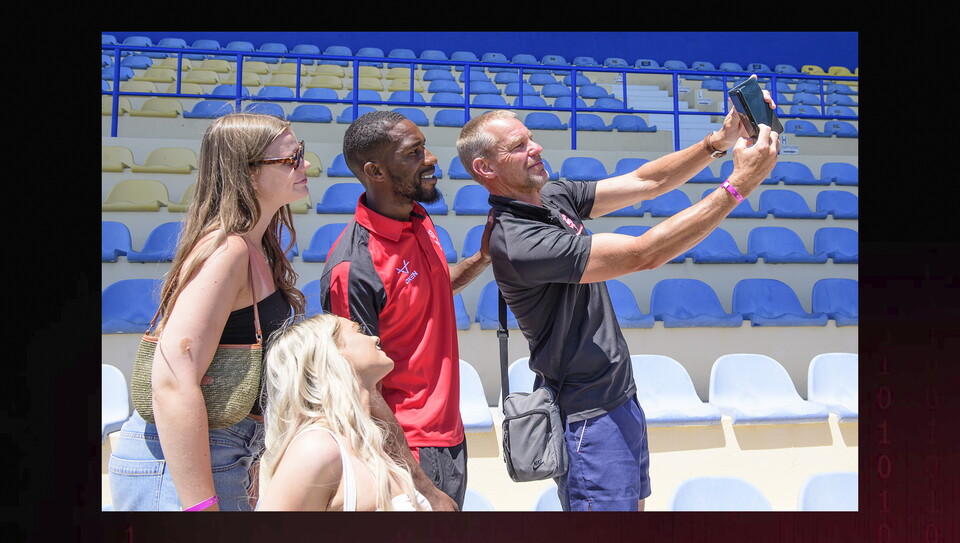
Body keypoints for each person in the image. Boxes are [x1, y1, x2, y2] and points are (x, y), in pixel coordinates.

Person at [455, 77, 781, 511]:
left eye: (530, 138)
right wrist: (740, 184)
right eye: (519, 146)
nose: (536, 148)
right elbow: (645, 253)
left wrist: (716, 144)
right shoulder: (517, 241)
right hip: (587, 417)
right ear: (485, 169)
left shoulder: (550, 196)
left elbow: (647, 181)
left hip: (618, 398)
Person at [108, 112, 309, 511]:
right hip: (180, 466)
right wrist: (201, 508)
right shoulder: (227, 251)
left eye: (300, 153)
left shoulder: (256, 246)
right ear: (247, 172)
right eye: (290, 159)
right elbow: (173, 381)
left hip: (220, 455)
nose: (304, 165)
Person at [319, 110, 492, 511]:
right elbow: (359, 391)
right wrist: (424, 487)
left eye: (424, 147)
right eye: (414, 153)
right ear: (375, 171)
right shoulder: (353, 269)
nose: (430, 158)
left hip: (448, 435)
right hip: (407, 449)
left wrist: (481, 257)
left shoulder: (417, 217)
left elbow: (426, 290)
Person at [256, 314, 430, 511]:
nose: (375, 338)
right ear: (331, 353)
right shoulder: (317, 446)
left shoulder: (366, 441)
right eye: (358, 331)